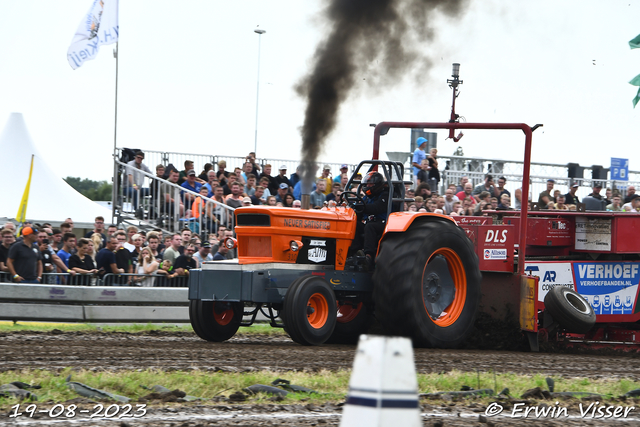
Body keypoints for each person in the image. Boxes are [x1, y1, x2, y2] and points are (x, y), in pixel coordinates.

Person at [351, 172, 390, 270]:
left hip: (384, 223)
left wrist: (362, 207)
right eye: (367, 184)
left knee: (370, 227)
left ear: (377, 184)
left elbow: (377, 208)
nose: (368, 186)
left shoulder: (385, 195)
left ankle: (368, 256)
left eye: (370, 184)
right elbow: (361, 209)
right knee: (353, 225)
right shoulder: (367, 197)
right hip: (370, 222)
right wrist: (354, 209)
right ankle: (354, 252)